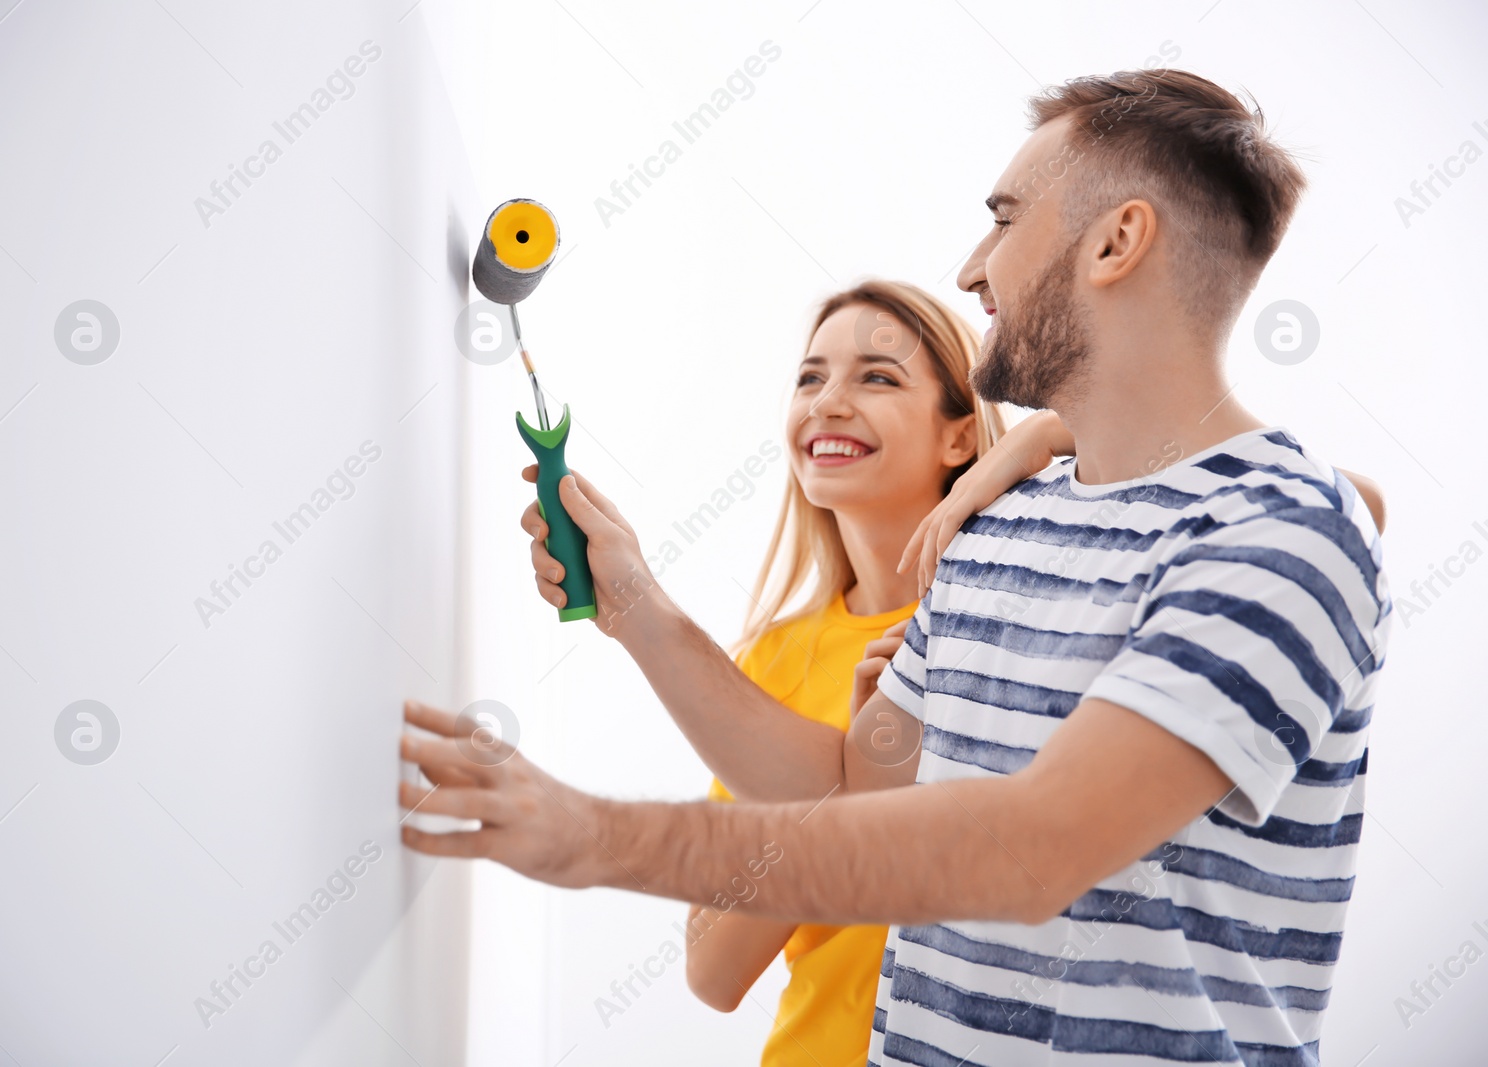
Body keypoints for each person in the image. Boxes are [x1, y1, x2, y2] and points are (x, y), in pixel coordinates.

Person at [400, 68, 1391, 1066]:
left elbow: (1027, 852)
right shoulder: (996, 526)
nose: (971, 268)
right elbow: (854, 780)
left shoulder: (1281, 530)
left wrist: (596, 837)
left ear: (1115, 241)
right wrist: (637, 605)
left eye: (1003, 219)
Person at [683, 280, 1005, 1066]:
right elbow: (713, 970)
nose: (827, 402)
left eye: (877, 375)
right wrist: (851, 787)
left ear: (960, 436)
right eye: (810, 376)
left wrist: (1050, 435)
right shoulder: (773, 658)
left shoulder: (1014, 625)